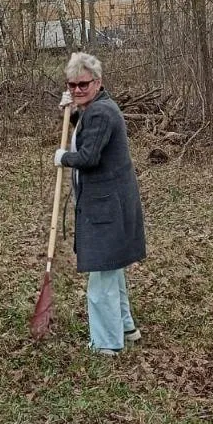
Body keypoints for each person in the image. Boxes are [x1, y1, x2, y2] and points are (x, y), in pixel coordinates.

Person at [53, 52, 147, 356]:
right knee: (111, 271)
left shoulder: (102, 113)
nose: (78, 90)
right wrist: (75, 114)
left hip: (107, 207)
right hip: (109, 203)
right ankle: (126, 327)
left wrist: (62, 157)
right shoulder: (96, 110)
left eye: (83, 84)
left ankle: (107, 344)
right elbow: (91, 132)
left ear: (98, 82)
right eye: (72, 85)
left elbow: (88, 157)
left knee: (101, 278)